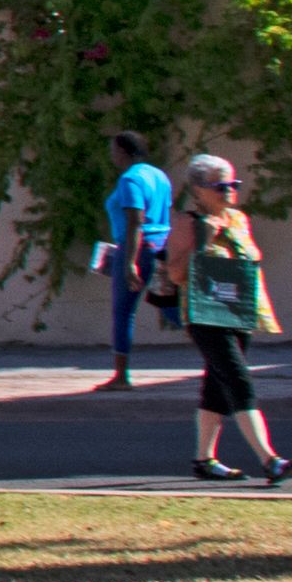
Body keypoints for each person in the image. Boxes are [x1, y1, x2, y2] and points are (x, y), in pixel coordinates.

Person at [168, 155, 290, 481]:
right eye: (219, 186)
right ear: (198, 190)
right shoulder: (187, 223)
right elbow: (175, 273)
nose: (229, 191)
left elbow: (252, 259)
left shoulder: (238, 219)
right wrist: (203, 240)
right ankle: (270, 459)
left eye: (233, 185)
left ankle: (204, 460)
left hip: (237, 311)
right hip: (205, 314)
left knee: (217, 386)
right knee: (238, 380)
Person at [96, 137, 176, 392]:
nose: (112, 156)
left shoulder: (130, 179)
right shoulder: (160, 176)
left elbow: (135, 221)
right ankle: (218, 356)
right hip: (162, 248)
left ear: (122, 151)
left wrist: (129, 262)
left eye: (113, 150)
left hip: (137, 250)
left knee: (123, 312)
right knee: (172, 308)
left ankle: (121, 376)